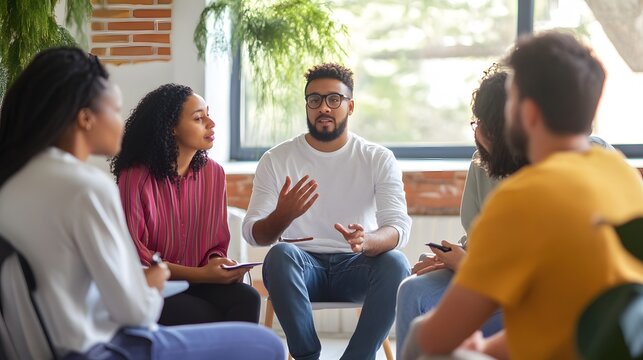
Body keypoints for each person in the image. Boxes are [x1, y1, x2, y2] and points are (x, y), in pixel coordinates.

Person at [0, 47, 284, 359]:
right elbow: (133, 311)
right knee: (266, 344)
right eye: (115, 110)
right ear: (85, 118)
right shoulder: (86, 188)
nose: (123, 124)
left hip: (50, 342)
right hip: (98, 347)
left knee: (242, 300)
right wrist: (154, 281)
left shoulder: (14, 183)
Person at [402, 31, 643, 359]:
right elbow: (561, 318)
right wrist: (486, 347)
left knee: (422, 338)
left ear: (528, 114)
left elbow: (435, 339)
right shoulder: (618, 173)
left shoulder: (522, 197)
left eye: (510, 100)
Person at [242, 63, 412, 360]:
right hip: (302, 269)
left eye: (334, 99)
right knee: (280, 255)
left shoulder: (377, 158)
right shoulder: (277, 159)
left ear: (351, 106)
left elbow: (398, 226)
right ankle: (308, 356)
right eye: (314, 99)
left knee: (396, 263)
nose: (324, 107)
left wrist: (367, 241)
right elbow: (253, 233)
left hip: (357, 266)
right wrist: (282, 216)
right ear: (306, 105)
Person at [110, 83, 261, 326]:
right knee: (205, 314)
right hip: (152, 287)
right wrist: (202, 274)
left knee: (248, 298)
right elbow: (135, 256)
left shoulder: (214, 174)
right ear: (172, 128)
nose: (211, 124)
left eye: (208, 116)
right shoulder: (135, 177)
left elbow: (215, 244)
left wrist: (217, 263)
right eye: (199, 118)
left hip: (200, 283)